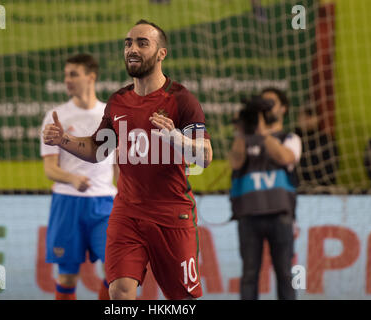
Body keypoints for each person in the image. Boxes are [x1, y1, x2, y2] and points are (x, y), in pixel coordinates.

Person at [43, 19, 213, 300]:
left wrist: (175, 138)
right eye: (128, 43)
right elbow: (98, 149)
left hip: (171, 214)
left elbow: (205, 156)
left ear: (161, 53)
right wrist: (64, 141)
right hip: (127, 213)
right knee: (120, 291)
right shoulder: (118, 100)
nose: (132, 49)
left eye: (142, 43)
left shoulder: (182, 100)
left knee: (183, 299)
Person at [40, 53, 118, 300]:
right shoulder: (56, 116)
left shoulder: (111, 115)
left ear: (91, 77)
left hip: (105, 203)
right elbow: (50, 169)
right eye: (65, 75)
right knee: (67, 277)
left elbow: (119, 166)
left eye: (73, 74)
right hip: (67, 203)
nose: (67, 80)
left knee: (117, 272)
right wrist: (72, 179)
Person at [229, 88, 302, 300]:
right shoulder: (246, 139)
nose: (265, 108)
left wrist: (262, 133)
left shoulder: (290, 138)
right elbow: (235, 162)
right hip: (249, 215)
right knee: (249, 274)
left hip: (280, 214)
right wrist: (244, 131)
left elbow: (285, 157)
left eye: (270, 103)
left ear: (283, 108)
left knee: (285, 273)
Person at [294, 104, 339, 186]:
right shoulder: (291, 139)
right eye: (303, 115)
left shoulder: (326, 141)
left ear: (318, 118)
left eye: (310, 115)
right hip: (295, 188)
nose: (306, 119)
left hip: (321, 190)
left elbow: (330, 170)